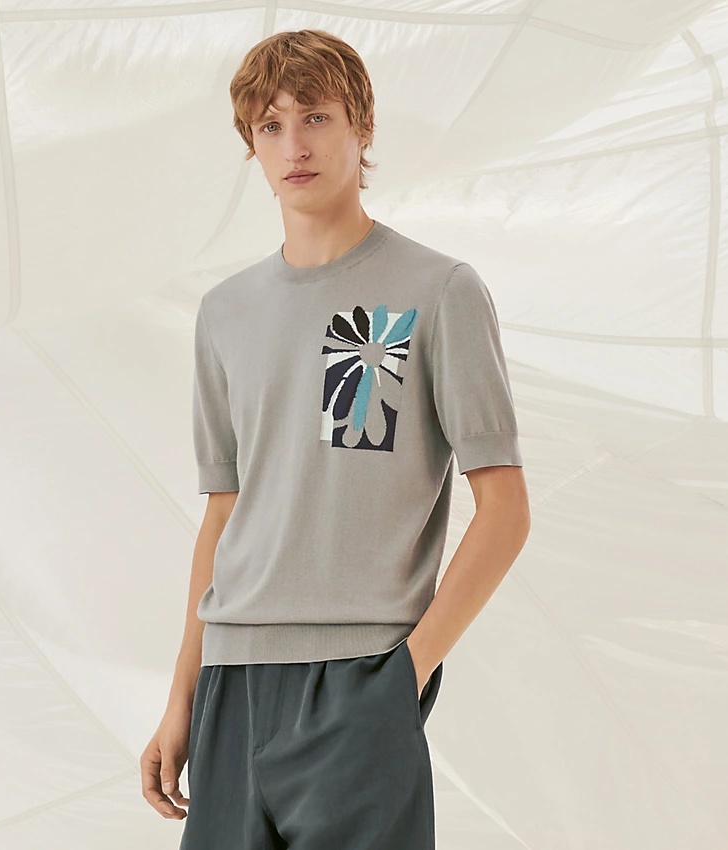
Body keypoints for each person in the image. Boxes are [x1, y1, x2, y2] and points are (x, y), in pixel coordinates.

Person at [141, 28, 531, 849]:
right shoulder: (225, 313)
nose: (295, 145)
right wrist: (181, 698)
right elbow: (223, 514)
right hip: (231, 685)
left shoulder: (440, 290)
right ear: (251, 144)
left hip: (362, 679)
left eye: (315, 116)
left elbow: (504, 509)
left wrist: (404, 675)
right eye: (271, 125)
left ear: (362, 126)